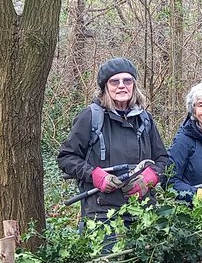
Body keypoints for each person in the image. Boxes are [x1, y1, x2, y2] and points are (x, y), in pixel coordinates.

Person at [57, 58, 169, 221]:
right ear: (105, 87)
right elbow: (66, 158)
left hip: (144, 212)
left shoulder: (145, 120)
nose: (122, 85)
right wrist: (94, 175)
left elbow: (163, 159)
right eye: (114, 81)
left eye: (127, 81)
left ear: (134, 85)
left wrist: (151, 176)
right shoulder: (90, 117)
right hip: (102, 214)